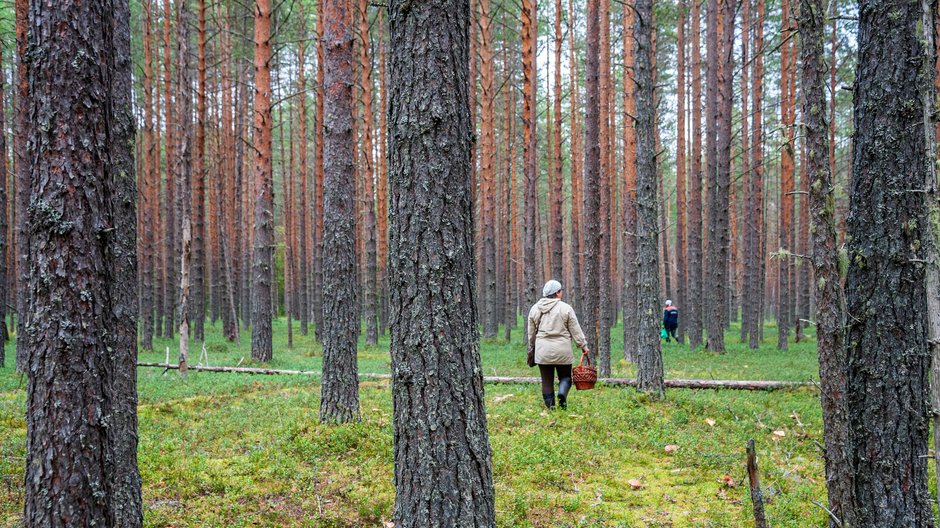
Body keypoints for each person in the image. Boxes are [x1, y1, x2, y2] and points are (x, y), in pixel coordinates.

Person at [527, 280, 590, 410]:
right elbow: (575, 329)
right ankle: (562, 396)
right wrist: (583, 345)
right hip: (563, 350)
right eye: (561, 290)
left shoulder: (534, 309)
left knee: (546, 381)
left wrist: (532, 346)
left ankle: (551, 410)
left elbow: (531, 333)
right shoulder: (565, 308)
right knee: (566, 377)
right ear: (557, 292)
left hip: (543, 351)